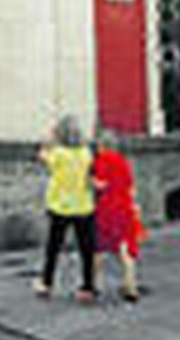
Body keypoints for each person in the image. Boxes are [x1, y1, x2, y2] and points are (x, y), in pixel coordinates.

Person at [33, 115, 97, 304]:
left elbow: (42, 154)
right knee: (87, 249)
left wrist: (49, 139)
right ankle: (87, 288)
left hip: (60, 207)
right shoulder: (86, 153)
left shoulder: (58, 154)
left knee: (53, 248)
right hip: (84, 206)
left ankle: (46, 283)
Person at [91, 129, 145, 302]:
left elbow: (101, 184)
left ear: (101, 145)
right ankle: (131, 286)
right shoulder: (122, 161)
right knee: (125, 250)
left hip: (107, 209)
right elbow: (131, 187)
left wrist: (89, 180)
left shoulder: (102, 160)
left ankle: (94, 284)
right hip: (125, 208)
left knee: (98, 249)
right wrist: (135, 207)